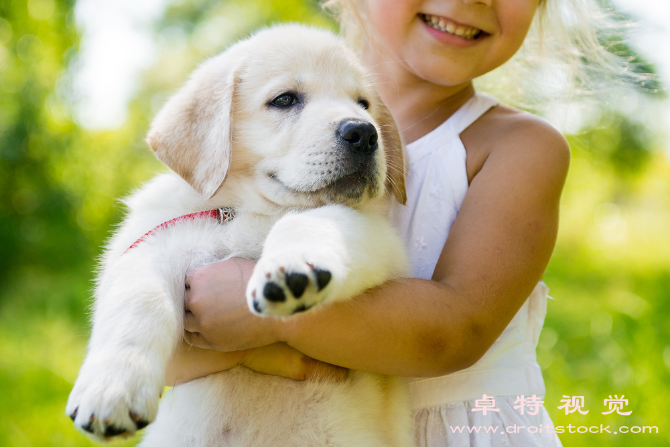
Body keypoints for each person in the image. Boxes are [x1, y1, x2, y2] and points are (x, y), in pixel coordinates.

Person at [166, 0, 631, 445]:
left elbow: (455, 333)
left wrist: (269, 319)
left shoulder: (521, 147)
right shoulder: (258, 111)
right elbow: (165, 342)